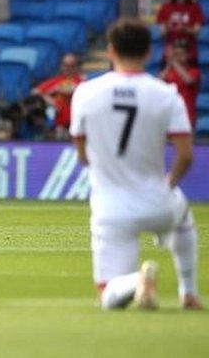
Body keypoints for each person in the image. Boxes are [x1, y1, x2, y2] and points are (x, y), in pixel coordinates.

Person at [69, 18, 202, 311]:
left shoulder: (86, 93)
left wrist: (100, 166)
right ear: (148, 54)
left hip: (111, 208)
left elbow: (81, 152)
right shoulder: (166, 94)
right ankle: (188, 291)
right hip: (158, 201)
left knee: (108, 296)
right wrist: (169, 184)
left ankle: (136, 282)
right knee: (183, 221)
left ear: (110, 50)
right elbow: (186, 154)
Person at [156, 0, 203, 64]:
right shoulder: (165, 7)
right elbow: (162, 32)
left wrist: (185, 29)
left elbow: (197, 31)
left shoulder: (195, 7)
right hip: (170, 53)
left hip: (189, 53)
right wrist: (169, 27)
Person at [34, 53, 84, 139]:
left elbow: (72, 90)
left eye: (72, 66)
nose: (68, 69)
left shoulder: (82, 81)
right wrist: (49, 96)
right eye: (66, 65)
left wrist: (62, 90)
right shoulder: (55, 81)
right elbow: (35, 92)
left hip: (78, 123)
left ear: (76, 67)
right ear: (61, 66)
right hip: (59, 123)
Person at [160, 40, 201, 127]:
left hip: (187, 115)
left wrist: (174, 63)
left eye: (181, 54)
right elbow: (158, 82)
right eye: (176, 54)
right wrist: (168, 65)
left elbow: (189, 80)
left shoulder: (194, 71)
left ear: (188, 55)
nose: (178, 57)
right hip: (169, 114)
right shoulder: (168, 72)